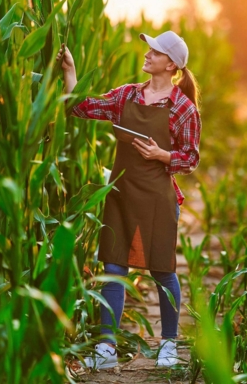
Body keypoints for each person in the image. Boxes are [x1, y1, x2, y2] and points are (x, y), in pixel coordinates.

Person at [57, 31, 201, 370]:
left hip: (157, 198)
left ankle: (168, 343)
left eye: (156, 51)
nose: (148, 54)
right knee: (113, 266)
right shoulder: (126, 95)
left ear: (171, 64)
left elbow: (191, 159)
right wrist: (70, 73)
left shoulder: (183, 108)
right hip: (120, 193)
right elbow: (81, 107)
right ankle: (106, 349)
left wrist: (162, 154)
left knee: (163, 269)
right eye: (149, 49)